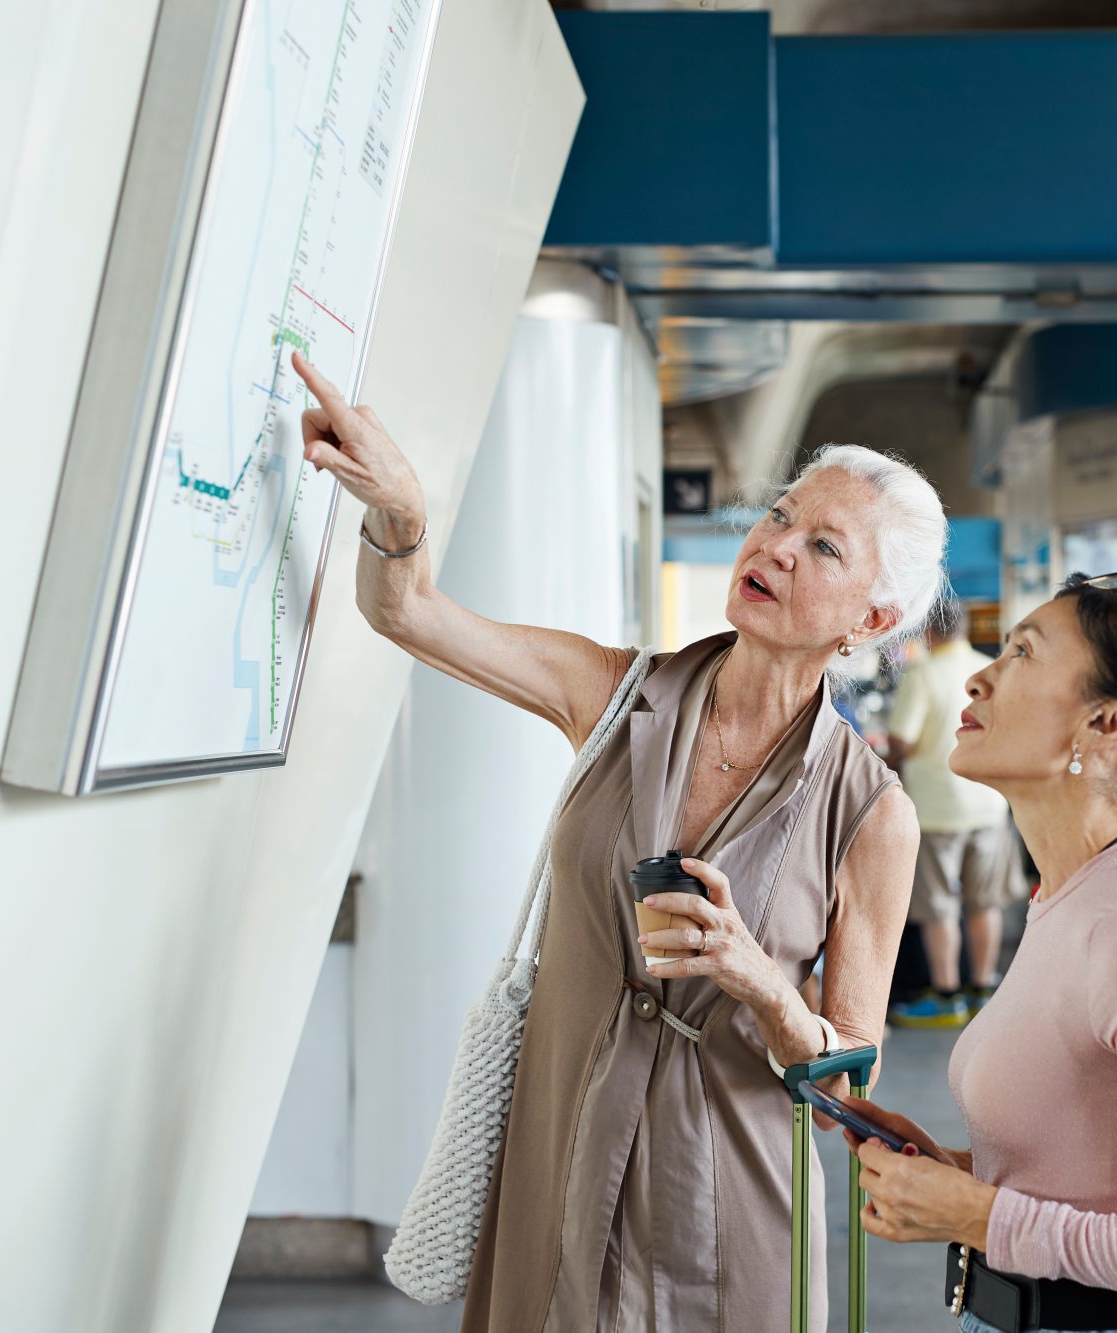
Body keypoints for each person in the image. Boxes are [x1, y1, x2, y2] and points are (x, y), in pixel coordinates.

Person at [288, 351, 932, 1332]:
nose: (777, 545)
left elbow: (852, 1072)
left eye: (825, 547)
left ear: (870, 620)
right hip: (559, 1153)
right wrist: (402, 512)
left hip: (725, 1203)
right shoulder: (616, 692)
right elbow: (407, 612)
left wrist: (755, 976)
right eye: (777, 516)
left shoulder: (871, 812)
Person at [838, 571, 1117, 1333]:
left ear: (1110, 721)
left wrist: (986, 1216)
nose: (980, 676)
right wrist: (956, 1178)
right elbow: (1096, 1165)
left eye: (1020, 653)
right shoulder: (1072, 892)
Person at [886, 599, 1023, 1029]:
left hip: (936, 809)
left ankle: (947, 997)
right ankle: (984, 988)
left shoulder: (922, 674)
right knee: (985, 901)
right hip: (988, 803)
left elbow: (901, 740)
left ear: (928, 633)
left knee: (939, 904)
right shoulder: (992, 670)